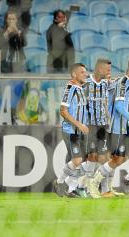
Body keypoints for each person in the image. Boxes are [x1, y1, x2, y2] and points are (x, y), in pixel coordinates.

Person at [89, 56, 129, 200]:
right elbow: (119, 106)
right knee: (117, 160)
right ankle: (93, 183)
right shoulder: (123, 83)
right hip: (119, 129)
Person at [80, 58, 124, 198]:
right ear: (99, 69)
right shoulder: (86, 83)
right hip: (90, 125)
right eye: (108, 69)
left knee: (105, 158)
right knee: (92, 157)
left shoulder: (106, 83)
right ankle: (85, 188)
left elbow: (118, 86)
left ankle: (105, 190)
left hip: (104, 126)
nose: (109, 72)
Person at [53, 63, 89, 198]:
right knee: (77, 160)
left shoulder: (80, 88)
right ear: (74, 75)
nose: (85, 74)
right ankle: (59, 182)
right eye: (82, 72)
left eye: (85, 72)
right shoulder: (70, 89)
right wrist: (79, 125)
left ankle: (71, 190)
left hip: (81, 131)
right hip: (71, 131)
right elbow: (63, 111)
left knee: (80, 161)